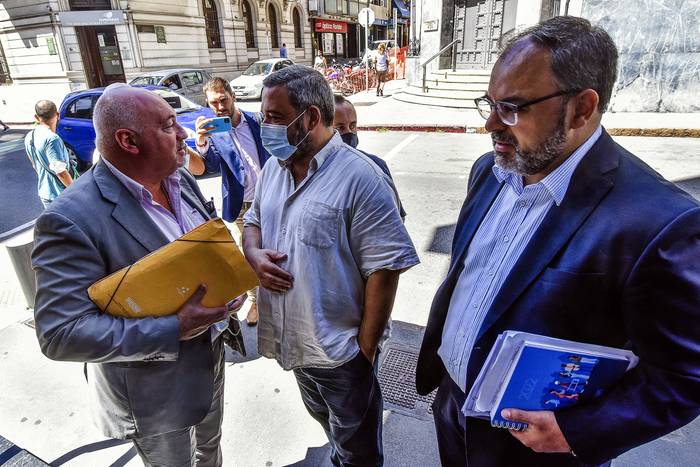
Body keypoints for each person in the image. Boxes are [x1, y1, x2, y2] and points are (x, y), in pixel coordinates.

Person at [416, 16, 700, 467]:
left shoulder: (660, 222)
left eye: (510, 108)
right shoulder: (489, 173)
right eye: (488, 103)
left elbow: (684, 377)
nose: (491, 124)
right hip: (453, 410)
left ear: (581, 109)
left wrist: (575, 432)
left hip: (540, 452)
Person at [31, 84, 246, 467]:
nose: (183, 132)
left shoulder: (179, 178)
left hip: (209, 361)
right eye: (167, 126)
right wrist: (173, 328)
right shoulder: (68, 219)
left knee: (210, 453)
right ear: (128, 141)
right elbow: (60, 334)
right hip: (155, 399)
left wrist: (230, 283)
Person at [243, 65, 419, 466]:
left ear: (311, 118)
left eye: (274, 116)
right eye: (262, 115)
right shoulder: (274, 166)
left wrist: (365, 351)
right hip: (294, 343)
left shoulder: (362, 177)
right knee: (327, 423)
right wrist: (253, 253)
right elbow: (253, 221)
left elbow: (385, 268)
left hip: (341, 352)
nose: (264, 125)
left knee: (359, 451)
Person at [195, 77, 270, 325]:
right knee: (246, 256)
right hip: (241, 205)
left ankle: (279, 297)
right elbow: (211, 166)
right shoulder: (215, 131)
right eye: (213, 103)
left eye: (223, 100)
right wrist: (202, 143)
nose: (219, 107)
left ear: (232, 96)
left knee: (278, 247)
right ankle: (256, 302)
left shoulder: (256, 120)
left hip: (269, 198)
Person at [333, 93, 406, 220]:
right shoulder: (312, 170)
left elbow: (396, 219)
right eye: (340, 127)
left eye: (352, 126)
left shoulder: (375, 166)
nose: (349, 133)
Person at [24, 100, 73, 207]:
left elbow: (34, 164)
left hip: (45, 193)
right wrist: (76, 191)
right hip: (60, 196)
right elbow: (60, 171)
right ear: (58, 115)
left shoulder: (30, 136)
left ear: (36, 117)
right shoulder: (52, 139)